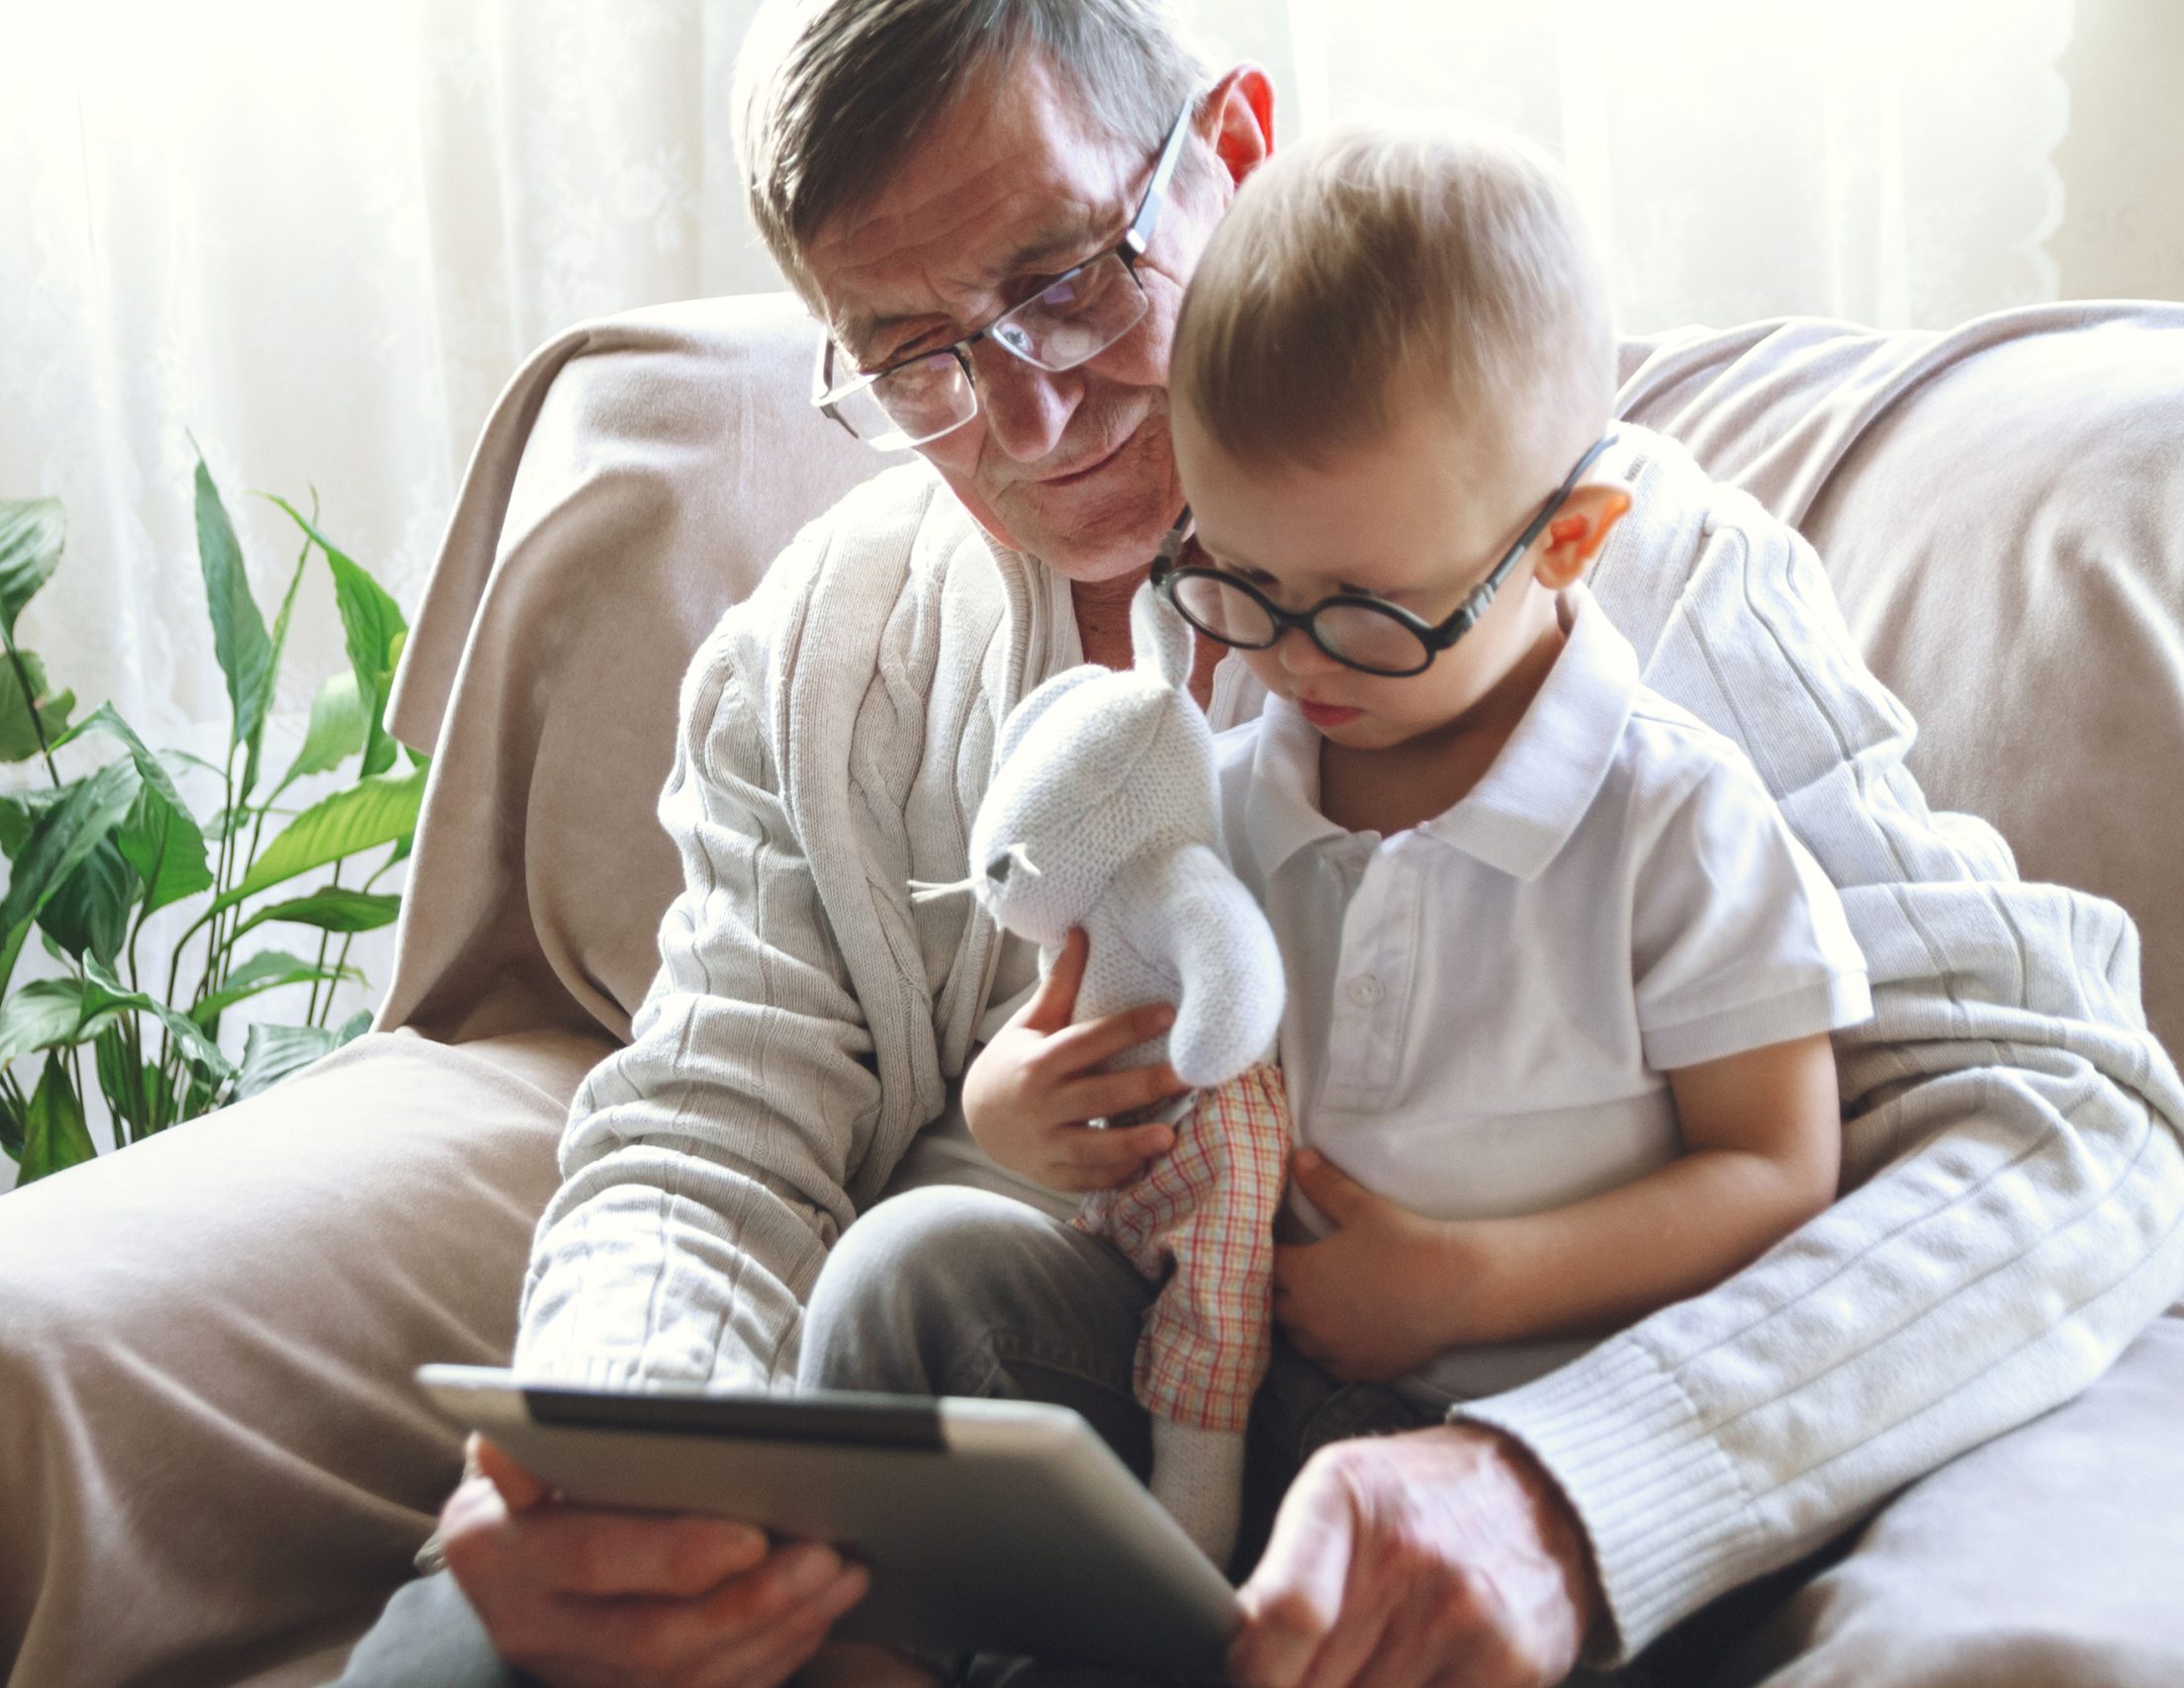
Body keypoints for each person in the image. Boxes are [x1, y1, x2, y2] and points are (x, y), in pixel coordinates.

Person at [327, 3, 2184, 1686]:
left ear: (1230, 147)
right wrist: (628, 1443)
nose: (1029, 420)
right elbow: (703, 1130)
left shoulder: (1623, 582)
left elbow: (2076, 1127)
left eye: (1063, 278)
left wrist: (1564, 1492)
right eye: (914, 358)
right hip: (1002, 1456)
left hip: (1442, 1462)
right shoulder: (816, 662)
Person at [802, 112, 1886, 1681]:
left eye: (1365, 611)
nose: (1291, 663)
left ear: (1567, 543)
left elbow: (1778, 1170)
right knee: (910, 1275)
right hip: (1226, 1403)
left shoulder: (1674, 820)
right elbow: (1154, 1116)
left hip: (1519, 1453)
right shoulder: (1233, 793)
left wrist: (1469, 1280)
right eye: (1239, 582)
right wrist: (1027, 1111)